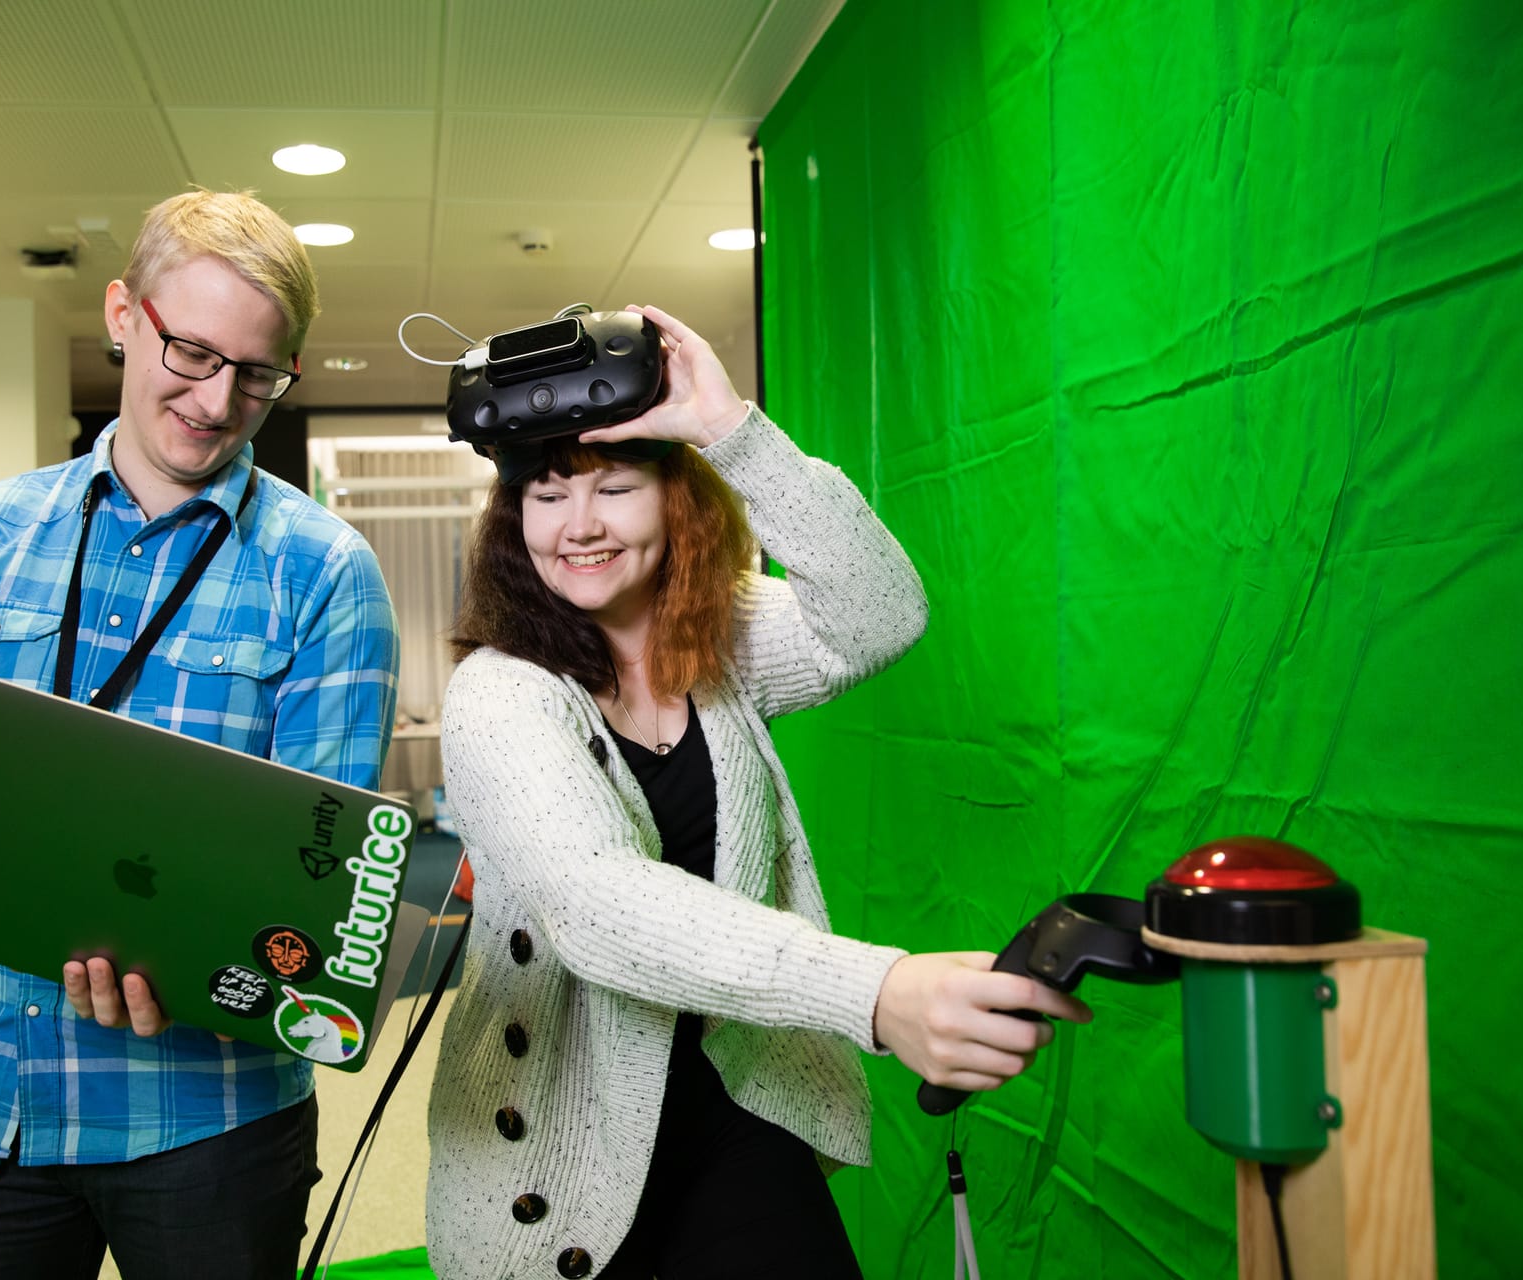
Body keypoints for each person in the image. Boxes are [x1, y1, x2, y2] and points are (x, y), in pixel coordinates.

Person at [424, 305, 1090, 1280]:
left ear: (675, 501)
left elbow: (880, 614)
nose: (581, 525)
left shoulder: (721, 643)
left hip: (736, 1092)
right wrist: (878, 991)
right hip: (563, 1135)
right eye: (549, 494)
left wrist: (731, 429)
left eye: (616, 486)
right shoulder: (500, 692)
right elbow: (595, 902)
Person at [0, 188, 400, 1280]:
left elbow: (320, 891)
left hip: (209, 1125)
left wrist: (193, 963)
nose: (217, 400)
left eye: (257, 374)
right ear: (121, 315)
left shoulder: (327, 572)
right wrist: (11, 806)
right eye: (192, 352)